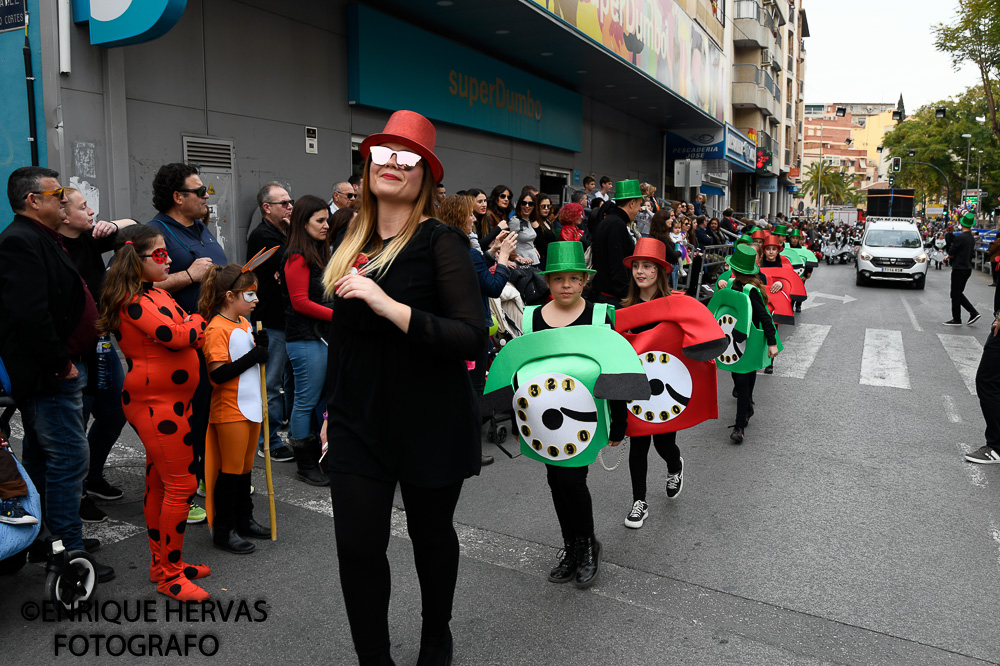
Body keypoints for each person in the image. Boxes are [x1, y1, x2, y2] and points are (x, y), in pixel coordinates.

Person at [321, 110, 487, 665]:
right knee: (357, 548)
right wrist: (328, 411)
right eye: (384, 153)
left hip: (429, 418)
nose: (393, 163)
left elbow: (471, 337)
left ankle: (435, 636)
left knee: (430, 538)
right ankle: (375, 659)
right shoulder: (348, 236)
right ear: (368, 166)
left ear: (425, 177)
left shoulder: (442, 243)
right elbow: (344, 340)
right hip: (357, 419)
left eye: (408, 156)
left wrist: (387, 304)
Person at [0, 166, 114, 583]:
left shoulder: (43, 238)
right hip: (51, 374)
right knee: (67, 458)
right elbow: (30, 314)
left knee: (44, 456)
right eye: (58, 193)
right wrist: (60, 364)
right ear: (34, 200)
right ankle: (67, 547)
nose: (64, 200)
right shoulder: (20, 242)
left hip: (61, 368)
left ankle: (38, 537)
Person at [97, 224, 208, 600]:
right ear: (136, 258)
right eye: (160, 254)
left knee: (161, 483)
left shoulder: (154, 293)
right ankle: (170, 574)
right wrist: (196, 322)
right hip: (157, 405)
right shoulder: (133, 301)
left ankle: (163, 563)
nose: (169, 259)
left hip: (171, 403)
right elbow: (179, 335)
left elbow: (184, 326)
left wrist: (191, 323)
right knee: (181, 485)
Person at [147, 162, 228, 523]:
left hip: (213, 338)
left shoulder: (201, 229)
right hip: (177, 346)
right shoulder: (153, 234)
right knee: (182, 423)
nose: (206, 196)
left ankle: (208, 479)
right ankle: (182, 491)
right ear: (178, 197)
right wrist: (187, 275)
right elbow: (132, 289)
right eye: (200, 191)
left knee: (209, 416)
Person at [58, 187, 136, 523]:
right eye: (83, 206)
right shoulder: (50, 247)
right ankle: (74, 498)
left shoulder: (89, 238)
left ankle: (92, 477)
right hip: (71, 353)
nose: (91, 212)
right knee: (76, 424)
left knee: (115, 411)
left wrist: (112, 226)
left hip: (100, 346)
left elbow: (134, 228)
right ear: (62, 214)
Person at [199, 263, 272, 554]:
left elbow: (247, 359)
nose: (255, 301)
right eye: (249, 295)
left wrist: (259, 348)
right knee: (229, 472)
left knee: (244, 469)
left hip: (251, 405)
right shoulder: (216, 328)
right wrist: (254, 355)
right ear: (230, 296)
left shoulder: (243, 322)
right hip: (230, 409)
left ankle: (244, 519)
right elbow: (217, 375)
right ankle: (224, 529)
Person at [439, 194, 516, 468]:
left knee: (453, 389)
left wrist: (489, 252)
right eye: (470, 214)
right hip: (474, 328)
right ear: (460, 217)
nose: (475, 218)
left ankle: (449, 445)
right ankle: (469, 449)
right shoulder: (466, 250)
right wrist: (504, 258)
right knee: (473, 390)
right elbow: (492, 286)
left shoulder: (446, 246)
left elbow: (473, 267)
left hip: (450, 328)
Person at [616, 238, 688, 528]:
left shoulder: (673, 304)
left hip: (666, 386)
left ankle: (675, 466)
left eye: (648, 266)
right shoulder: (624, 306)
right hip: (637, 384)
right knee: (639, 443)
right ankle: (639, 502)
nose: (641, 272)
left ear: (660, 271)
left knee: (664, 443)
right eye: (637, 266)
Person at [283, 195, 333, 486]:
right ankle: (305, 464)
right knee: (305, 401)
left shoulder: (315, 251)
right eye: (320, 220)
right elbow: (300, 302)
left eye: (327, 219)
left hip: (320, 337)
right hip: (305, 338)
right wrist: (337, 316)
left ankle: (318, 457)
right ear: (303, 223)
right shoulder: (297, 255)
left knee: (319, 399)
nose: (326, 225)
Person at [246, 183, 295, 463]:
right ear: (267, 208)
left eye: (291, 202)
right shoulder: (264, 234)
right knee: (271, 383)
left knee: (290, 382)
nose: (290, 207)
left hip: (290, 320)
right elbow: (295, 262)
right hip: (272, 321)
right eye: (283, 203)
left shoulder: (285, 233)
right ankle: (270, 440)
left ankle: (287, 432)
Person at [716, 246, 779, 444]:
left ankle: (739, 426)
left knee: (743, 383)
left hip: (749, 343)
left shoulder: (751, 291)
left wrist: (772, 343)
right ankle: (748, 406)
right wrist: (720, 283)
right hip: (732, 343)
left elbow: (765, 318)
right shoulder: (730, 284)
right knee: (738, 377)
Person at [590, 180, 643, 307]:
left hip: (607, 295)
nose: (639, 209)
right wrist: (628, 298)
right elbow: (617, 266)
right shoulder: (616, 225)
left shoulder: (610, 222)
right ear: (631, 203)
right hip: (613, 299)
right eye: (639, 204)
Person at [943, 211, 981, 326]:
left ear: (962, 224)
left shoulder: (960, 238)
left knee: (955, 294)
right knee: (958, 293)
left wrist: (947, 257)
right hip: (967, 268)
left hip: (959, 268)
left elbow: (951, 251)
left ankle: (959, 318)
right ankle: (970, 313)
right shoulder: (971, 238)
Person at [478, 184, 512, 252]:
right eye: (503, 196)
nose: (506, 199)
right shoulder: (489, 214)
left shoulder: (503, 214)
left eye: (508, 197)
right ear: (496, 197)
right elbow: (491, 240)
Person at [509, 191, 540, 266]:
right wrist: (517, 257)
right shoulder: (515, 221)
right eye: (524, 203)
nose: (527, 206)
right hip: (521, 262)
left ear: (534, 206)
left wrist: (533, 248)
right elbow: (509, 242)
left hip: (533, 260)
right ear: (519, 205)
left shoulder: (529, 220)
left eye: (530, 204)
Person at [532, 193, 557, 267]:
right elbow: (541, 245)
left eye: (548, 206)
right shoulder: (535, 222)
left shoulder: (547, 221)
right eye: (543, 206)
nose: (546, 208)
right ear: (537, 207)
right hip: (541, 260)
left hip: (550, 258)